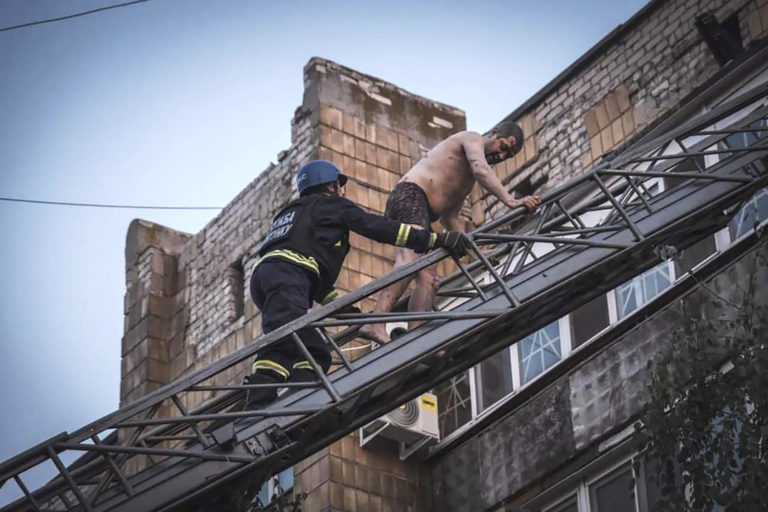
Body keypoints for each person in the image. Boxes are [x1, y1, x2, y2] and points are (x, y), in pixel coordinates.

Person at [245, 159, 471, 409]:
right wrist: (433, 239)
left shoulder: (294, 214)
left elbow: (318, 286)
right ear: (331, 186)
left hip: (267, 279)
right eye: (340, 186)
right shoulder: (332, 205)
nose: (343, 192)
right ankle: (290, 405)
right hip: (288, 276)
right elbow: (377, 228)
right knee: (312, 351)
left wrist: (351, 314)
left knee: (286, 341)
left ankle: (271, 400)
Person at [360, 121, 541, 343]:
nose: (502, 156)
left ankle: (414, 337)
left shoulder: (467, 180)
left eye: (508, 156)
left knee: (430, 279)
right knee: (410, 260)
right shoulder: (471, 138)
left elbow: (449, 218)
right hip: (411, 196)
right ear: (494, 133)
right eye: (503, 147)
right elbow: (481, 168)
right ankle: (375, 322)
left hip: (422, 213)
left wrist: (477, 255)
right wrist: (511, 201)